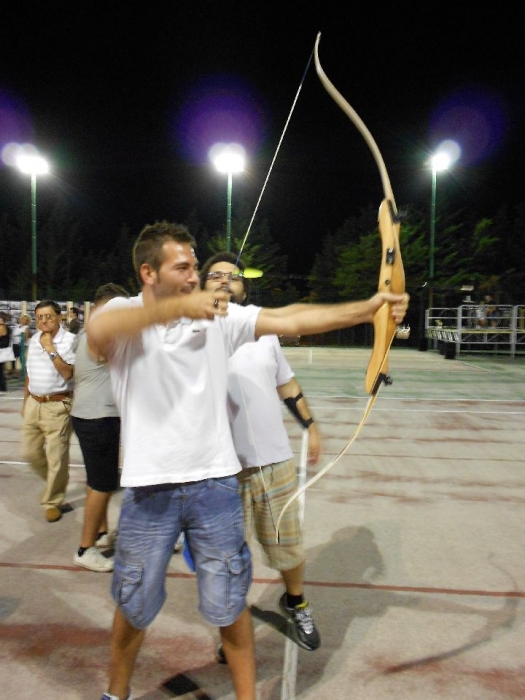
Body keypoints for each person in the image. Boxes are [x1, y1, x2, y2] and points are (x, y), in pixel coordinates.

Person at [86, 220, 409, 700]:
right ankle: (116, 693)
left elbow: (293, 319)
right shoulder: (122, 312)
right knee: (134, 602)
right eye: (184, 267)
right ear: (148, 272)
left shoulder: (221, 317)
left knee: (229, 600)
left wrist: (368, 310)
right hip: (149, 488)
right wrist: (181, 307)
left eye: (196, 266)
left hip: (216, 485)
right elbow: (100, 328)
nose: (197, 276)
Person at [200, 252, 322, 653]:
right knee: (228, 554)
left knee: (287, 544)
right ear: (201, 287)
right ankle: (232, 625)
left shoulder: (264, 331)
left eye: (231, 276)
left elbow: (285, 384)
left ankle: (296, 601)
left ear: (244, 288)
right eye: (214, 275)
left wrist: (311, 425)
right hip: (220, 466)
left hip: (273, 459)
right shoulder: (192, 330)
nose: (223, 280)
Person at [71, 283, 129, 573]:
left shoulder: (87, 331)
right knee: (103, 484)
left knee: (97, 480)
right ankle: (85, 548)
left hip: (88, 414)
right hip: (98, 417)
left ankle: (102, 531)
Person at [21, 300, 76, 522]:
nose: (44, 321)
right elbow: (29, 373)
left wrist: (51, 349)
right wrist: (26, 401)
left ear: (59, 318)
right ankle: (57, 481)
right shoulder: (33, 340)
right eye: (40, 317)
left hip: (58, 406)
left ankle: (53, 501)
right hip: (34, 402)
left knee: (57, 458)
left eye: (48, 316)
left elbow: (69, 374)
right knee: (29, 453)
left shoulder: (70, 341)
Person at [0, 312, 14, 395]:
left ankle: (2, 388)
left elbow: (3, 341)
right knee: (1, 370)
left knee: (0, 371)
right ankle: (3, 388)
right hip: (3, 351)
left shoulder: (2, 327)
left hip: (1, 350)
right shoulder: (7, 328)